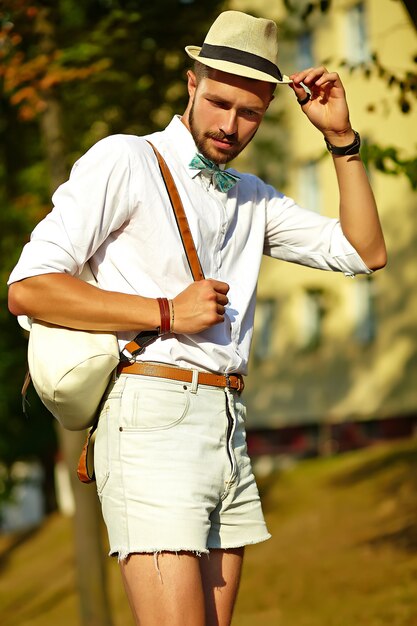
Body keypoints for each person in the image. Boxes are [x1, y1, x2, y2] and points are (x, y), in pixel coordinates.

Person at [7, 10, 386, 626]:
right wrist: (165, 311)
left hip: (228, 422)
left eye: (250, 114)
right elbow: (28, 287)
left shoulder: (252, 195)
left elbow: (365, 251)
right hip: (151, 414)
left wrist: (341, 142)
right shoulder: (125, 160)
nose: (230, 126)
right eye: (218, 103)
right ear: (191, 84)